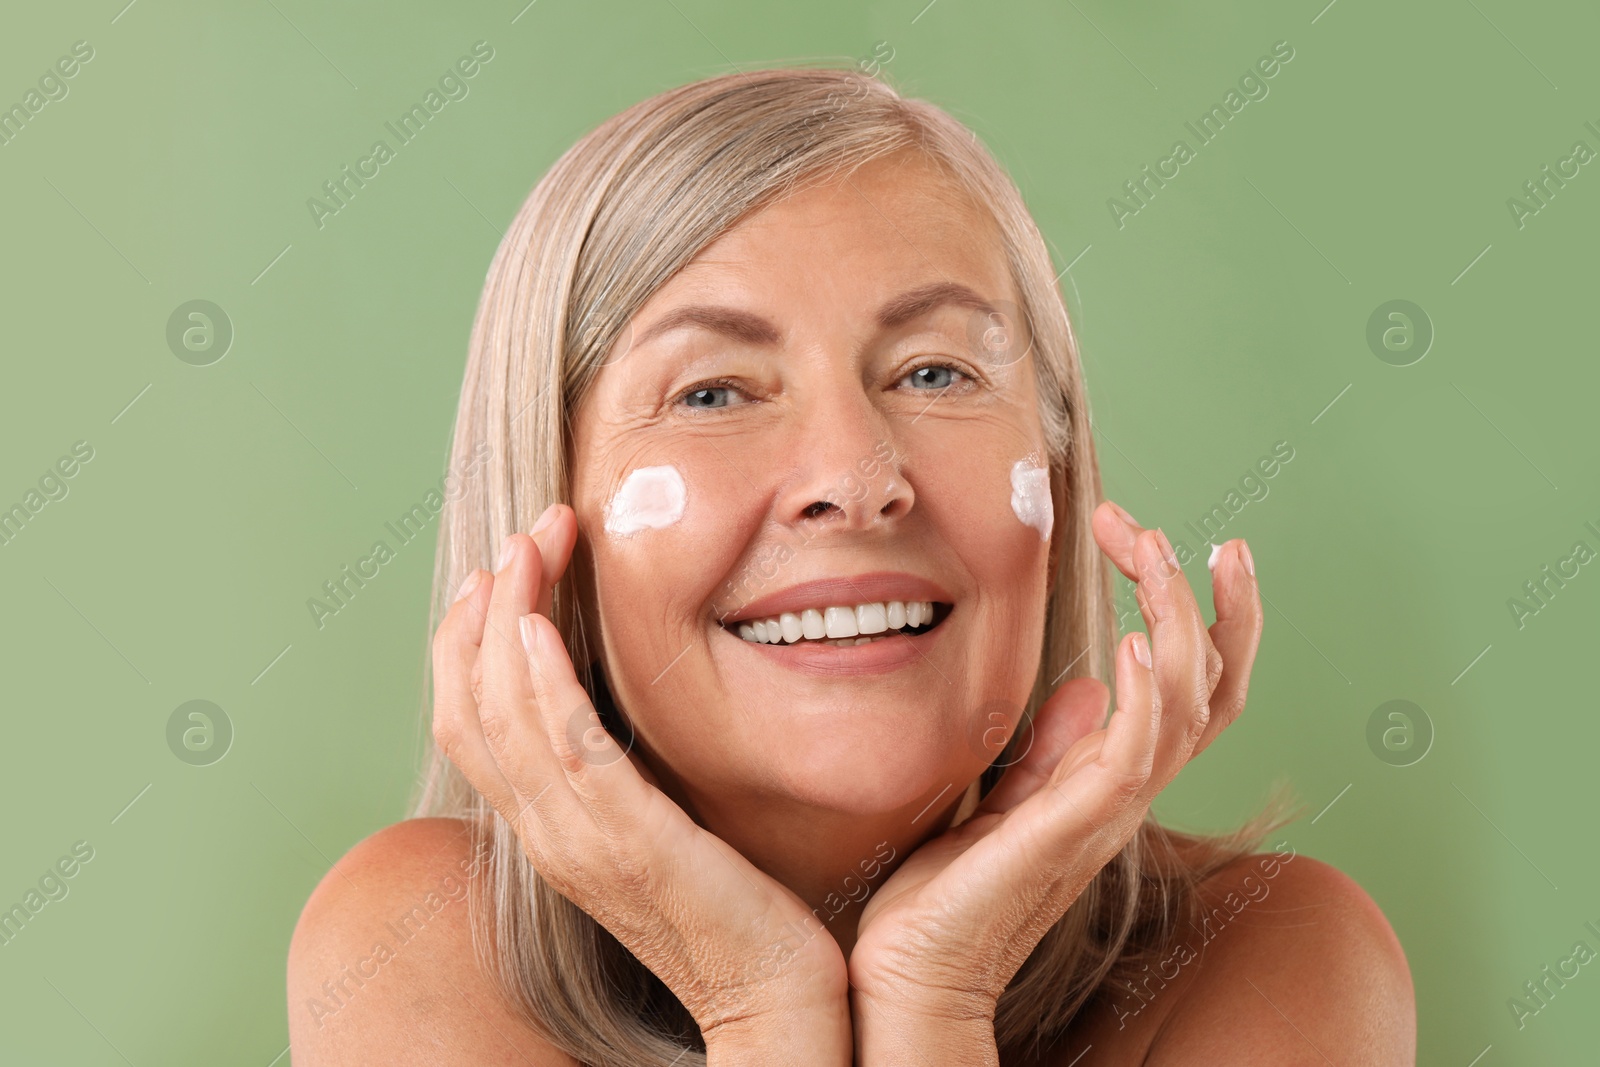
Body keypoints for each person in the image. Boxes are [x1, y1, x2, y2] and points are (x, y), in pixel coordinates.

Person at [287, 65, 1415, 1065]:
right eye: (713, 391)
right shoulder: (416, 937)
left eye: (933, 373)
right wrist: (760, 1001)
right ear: (547, 514)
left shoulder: (1273, 953)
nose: (855, 473)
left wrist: (932, 997)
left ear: (1060, 480)